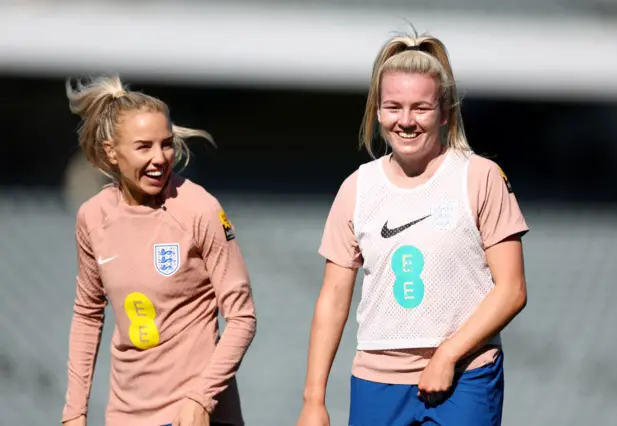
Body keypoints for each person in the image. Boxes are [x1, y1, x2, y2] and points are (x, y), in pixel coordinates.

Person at [297, 30, 529, 426]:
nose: (406, 121)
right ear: (378, 111)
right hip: (377, 381)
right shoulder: (357, 188)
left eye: (420, 108)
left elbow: (512, 290)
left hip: (465, 376)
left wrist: (448, 355)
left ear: (444, 113)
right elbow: (334, 299)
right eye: (394, 107)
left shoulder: (480, 177)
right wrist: (313, 400)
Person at [60, 75, 257, 426]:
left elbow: (242, 318)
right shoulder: (92, 217)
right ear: (111, 152)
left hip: (194, 412)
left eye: (166, 144)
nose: (159, 158)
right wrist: (74, 411)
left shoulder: (201, 209)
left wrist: (201, 397)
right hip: (126, 415)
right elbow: (88, 315)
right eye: (144, 146)